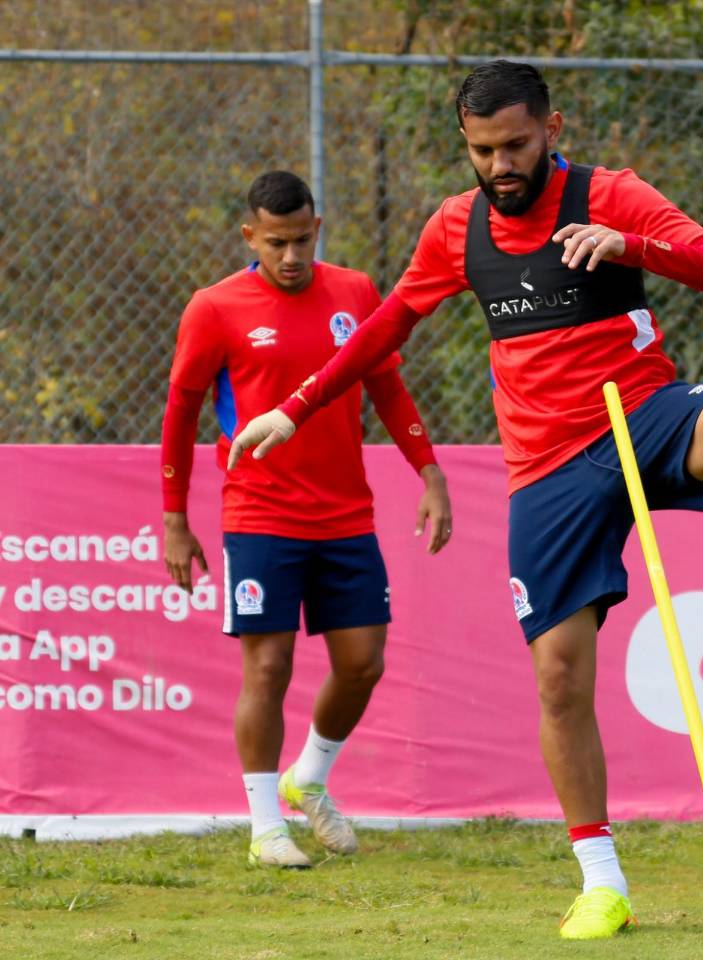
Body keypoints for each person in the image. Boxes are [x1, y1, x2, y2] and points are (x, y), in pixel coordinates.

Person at [228, 63, 703, 931]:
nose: (501, 165)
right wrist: (296, 407)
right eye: (483, 150)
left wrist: (631, 246)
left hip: (642, 414)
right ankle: (602, 882)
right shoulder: (455, 228)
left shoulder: (611, 194)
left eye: (516, 145)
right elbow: (389, 325)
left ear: (553, 130)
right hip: (546, 470)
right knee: (559, 677)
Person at [161, 170, 452, 869]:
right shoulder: (214, 308)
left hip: (346, 513)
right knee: (268, 665)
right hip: (258, 512)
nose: (291, 256)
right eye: (276, 243)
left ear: (317, 229)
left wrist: (430, 472)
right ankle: (266, 828)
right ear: (249, 236)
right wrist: (174, 518)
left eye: (301, 240)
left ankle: (310, 777)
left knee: (363, 664)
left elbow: (387, 386)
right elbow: (180, 412)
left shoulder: (355, 292)